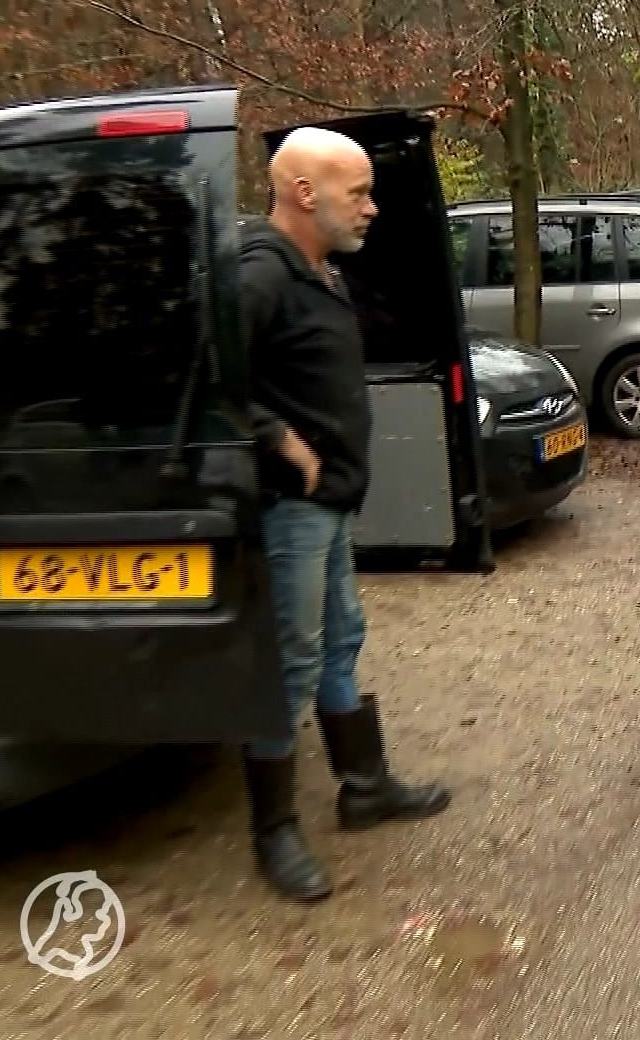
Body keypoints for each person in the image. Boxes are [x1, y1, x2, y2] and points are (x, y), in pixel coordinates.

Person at [238, 127, 451, 902]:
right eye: (357, 192)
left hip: (327, 505)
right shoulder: (258, 274)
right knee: (293, 661)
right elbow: (206, 375)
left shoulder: (319, 271)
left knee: (340, 644)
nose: (372, 206)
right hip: (289, 506)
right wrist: (281, 441)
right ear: (303, 192)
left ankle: (364, 788)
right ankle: (272, 833)